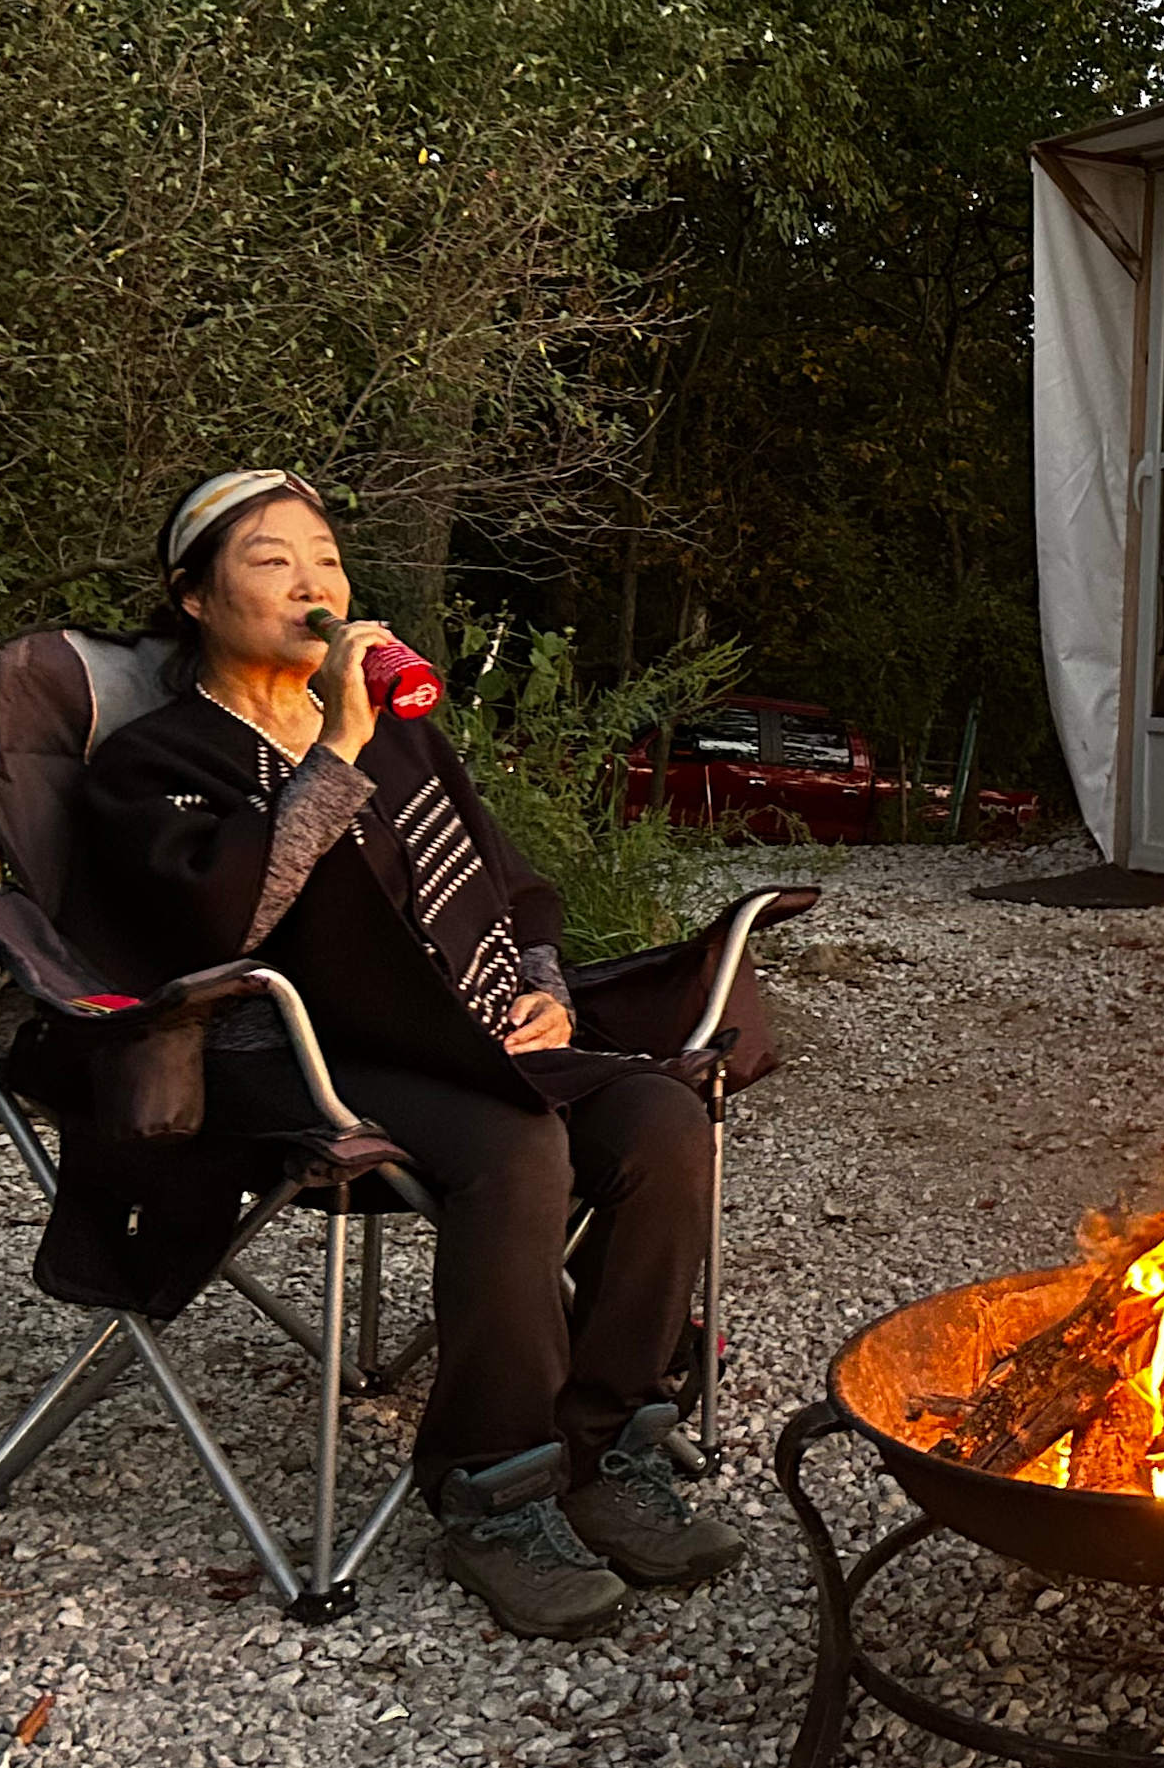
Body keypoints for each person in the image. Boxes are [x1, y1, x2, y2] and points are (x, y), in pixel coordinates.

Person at [81, 469, 744, 1636]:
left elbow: (512, 884)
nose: (313, 584)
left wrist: (542, 988)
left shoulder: (405, 740)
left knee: (663, 1123)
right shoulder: (157, 762)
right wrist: (336, 746)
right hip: (286, 1054)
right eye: (272, 561)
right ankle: (495, 1492)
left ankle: (610, 1446)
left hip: (452, 1034)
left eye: (326, 560)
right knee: (517, 1146)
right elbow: (222, 922)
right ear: (193, 597)